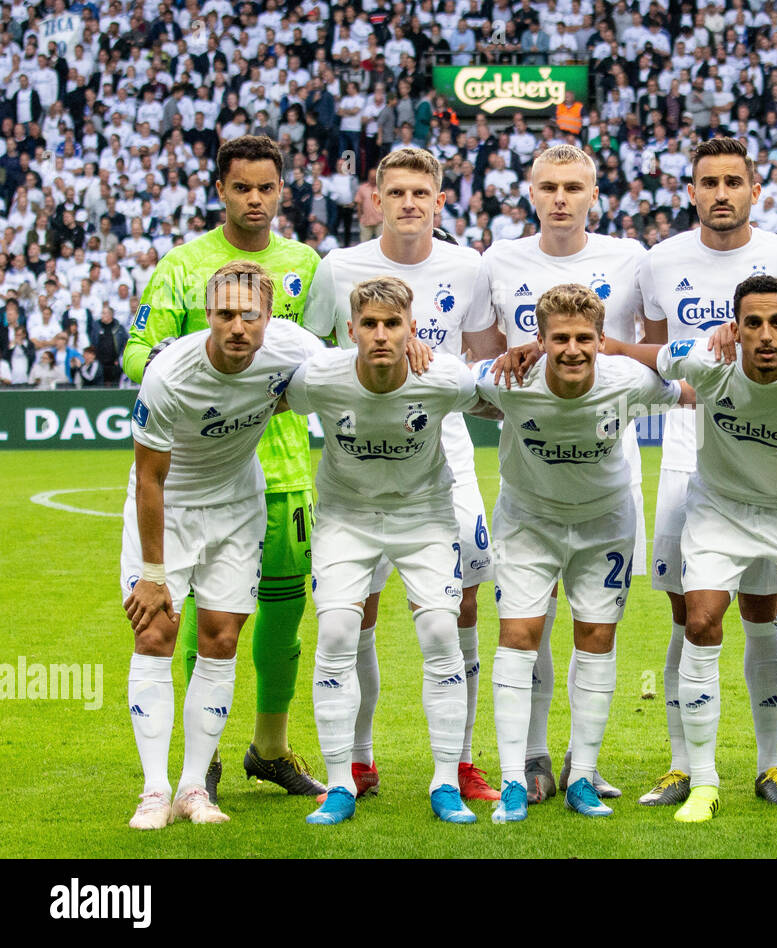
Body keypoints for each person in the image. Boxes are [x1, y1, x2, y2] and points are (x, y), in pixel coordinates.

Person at [604, 273, 777, 822]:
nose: (765, 335)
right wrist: (544, 345)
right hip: (719, 509)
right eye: (753, 324)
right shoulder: (703, 360)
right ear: (735, 328)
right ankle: (702, 782)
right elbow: (627, 349)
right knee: (699, 622)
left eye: (776, 323)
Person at [634, 137, 777, 809]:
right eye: (708, 182)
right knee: (689, 615)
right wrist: (703, 361)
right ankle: (681, 764)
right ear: (689, 191)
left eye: (734, 181)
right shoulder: (661, 260)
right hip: (693, 456)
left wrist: (756, 353)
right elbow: (658, 357)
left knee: (762, 612)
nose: (721, 192)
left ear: (756, 189)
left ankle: (774, 764)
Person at [123, 135, 326, 803]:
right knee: (187, 614)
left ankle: (270, 746)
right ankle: (193, 766)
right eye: (243, 188)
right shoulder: (182, 267)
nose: (256, 200)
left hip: (285, 464)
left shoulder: (306, 264)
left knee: (277, 616)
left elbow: (324, 358)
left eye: (267, 188)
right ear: (221, 190)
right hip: (194, 460)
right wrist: (183, 383)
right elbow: (138, 352)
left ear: (282, 191)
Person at [303, 148, 505, 804]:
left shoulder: (468, 266)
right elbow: (309, 357)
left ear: (440, 201)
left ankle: (463, 760)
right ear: (376, 199)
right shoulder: (339, 268)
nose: (410, 203)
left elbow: (479, 365)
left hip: (442, 459)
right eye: (397, 192)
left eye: (422, 192)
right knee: (353, 609)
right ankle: (357, 762)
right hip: (358, 459)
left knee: (461, 606)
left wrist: (437, 364)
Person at [474, 283, 684, 822]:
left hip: (603, 525)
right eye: (560, 338)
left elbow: (693, 390)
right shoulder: (508, 380)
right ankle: (514, 779)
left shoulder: (630, 380)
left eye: (584, 338)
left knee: (596, 639)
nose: (572, 349)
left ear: (600, 340)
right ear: (539, 341)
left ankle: (583, 776)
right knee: (518, 637)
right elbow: (440, 386)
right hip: (529, 524)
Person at [482, 144, 647, 804]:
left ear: (594, 193)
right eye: (548, 186)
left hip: (609, 473)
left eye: (573, 186)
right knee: (529, 624)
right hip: (532, 471)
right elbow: (485, 360)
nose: (560, 198)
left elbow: (650, 356)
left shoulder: (630, 258)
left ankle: (584, 763)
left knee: (592, 627)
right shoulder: (499, 260)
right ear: (530, 191)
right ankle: (528, 759)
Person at [287, 276, 481, 826]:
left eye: (392, 324)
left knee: (443, 632)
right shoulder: (319, 377)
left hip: (423, 516)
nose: (379, 334)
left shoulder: (440, 376)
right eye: (368, 324)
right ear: (349, 331)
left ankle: (445, 782)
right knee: (338, 634)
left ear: (411, 329)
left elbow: (497, 398)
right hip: (345, 519)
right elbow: (266, 396)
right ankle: (340, 783)